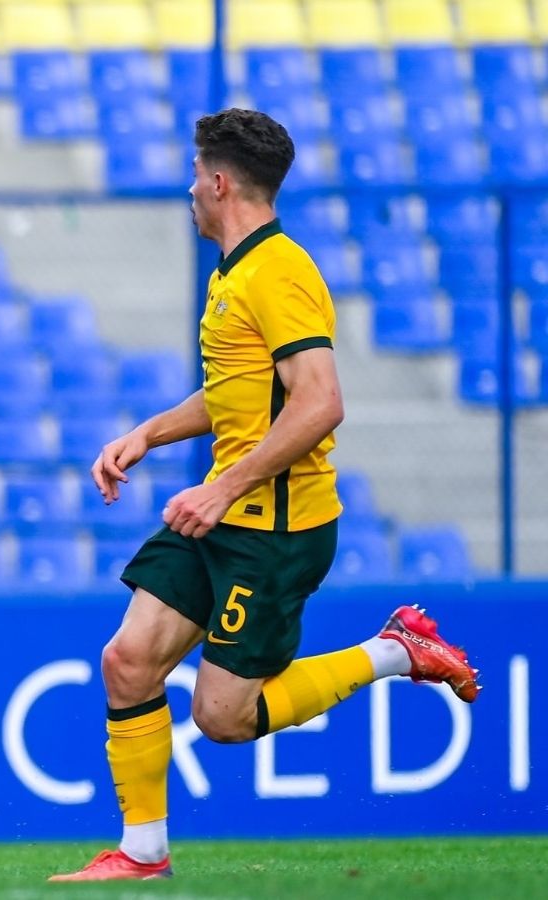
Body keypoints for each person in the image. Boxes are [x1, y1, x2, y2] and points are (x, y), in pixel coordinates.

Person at [50, 109, 479, 882]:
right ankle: (142, 853)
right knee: (127, 662)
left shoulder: (279, 271)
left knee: (222, 716)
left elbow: (319, 402)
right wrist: (149, 434)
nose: (189, 190)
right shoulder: (236, 272)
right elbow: (240, 397)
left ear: (218, 183)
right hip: (224, 514)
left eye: (193, 175)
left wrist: (219, 488)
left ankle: (395, 652)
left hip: (273, 529)